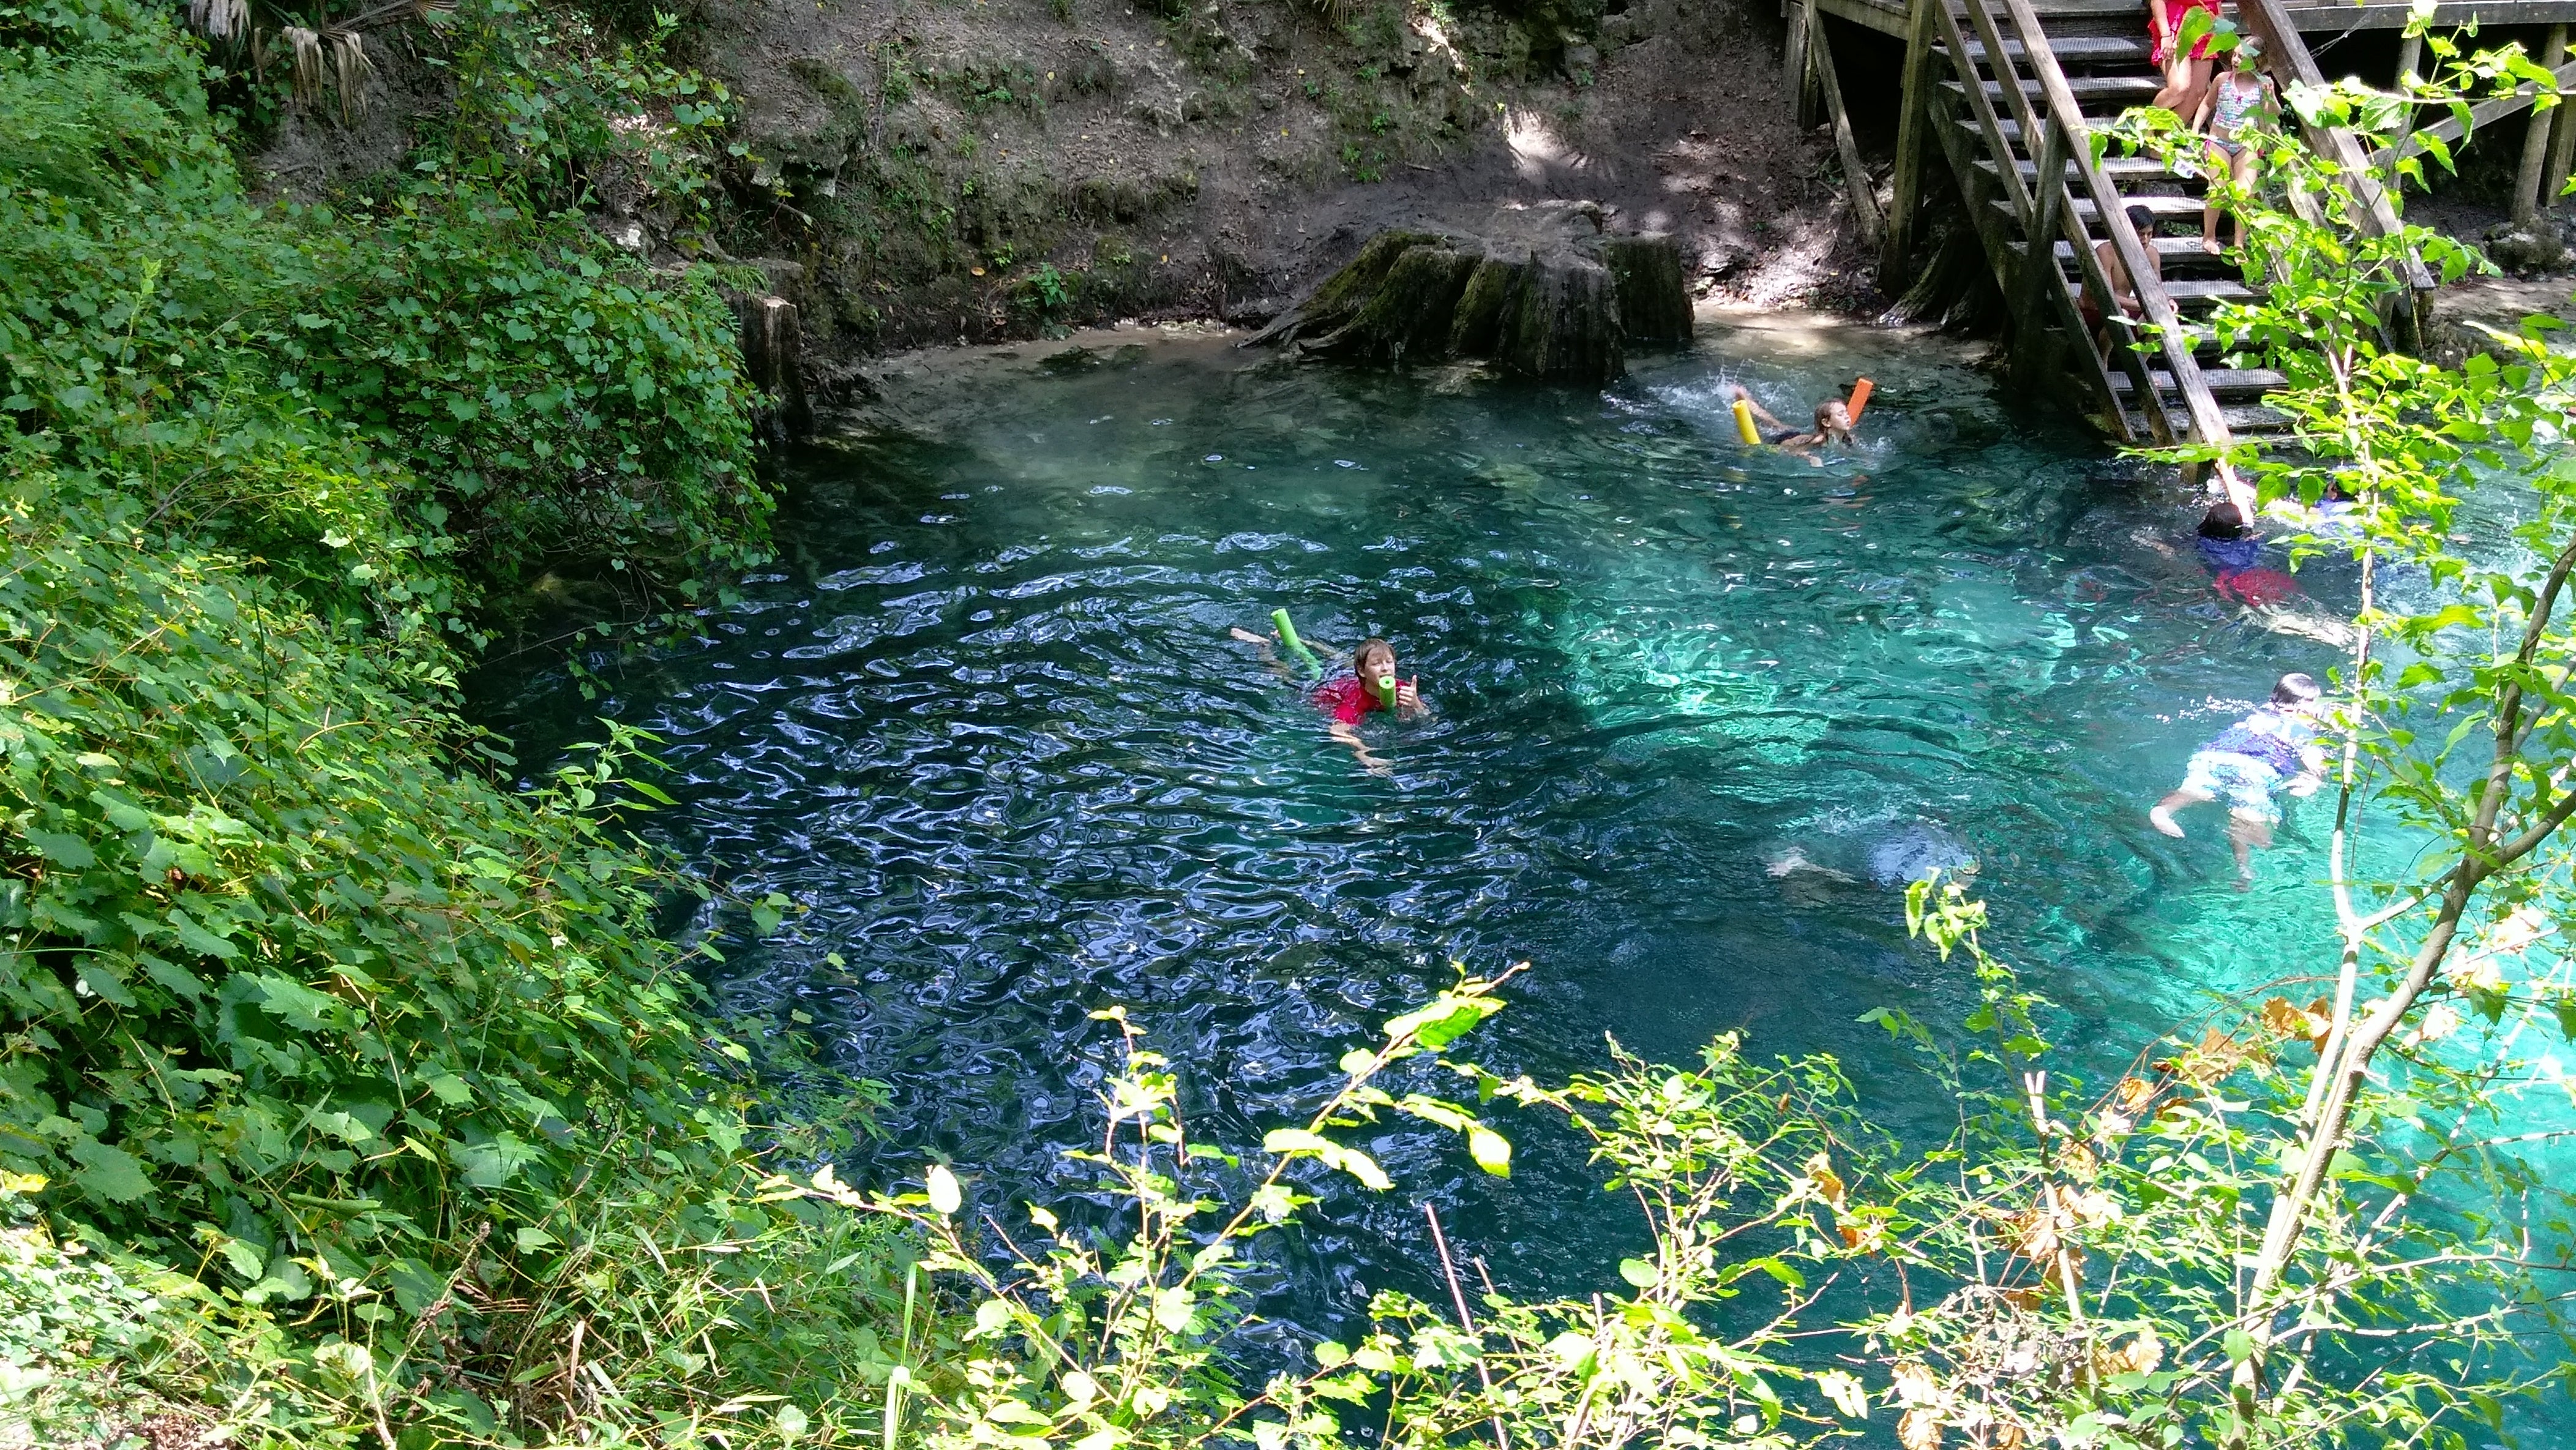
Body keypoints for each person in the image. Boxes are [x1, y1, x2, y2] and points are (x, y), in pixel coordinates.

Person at [2149, 672, 2329, 885]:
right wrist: (2317, 778)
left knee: (2195, 791)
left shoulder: (2257, 715)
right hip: (2257, 769)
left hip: (2214, 756)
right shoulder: (2301, 730)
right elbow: (2317, 764)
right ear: (2302, 709)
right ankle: (2243, 868)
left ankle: (2162, 811)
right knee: (2252, 822)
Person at [1230, 627, 1424, 771]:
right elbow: (1337, 731)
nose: (1385, 668)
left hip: (1348, 675)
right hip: (1326, 690)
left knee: (1342, 659)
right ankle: (1264, 645)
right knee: (1287, 677)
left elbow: (1428, 717)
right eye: (1377, 664)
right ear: (1363, 671)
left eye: (1389, 662)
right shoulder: (1355, 702)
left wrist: (1415, 702)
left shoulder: (1402, 687)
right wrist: (1363, 752)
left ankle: (1302, 641)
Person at [2193, 43, 2275, 254]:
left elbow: (2273, 113)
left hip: (2246, 146)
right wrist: (2196, 130)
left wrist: (2271, 96)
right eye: (2235, 55)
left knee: (2245, 193)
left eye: (2241, 57)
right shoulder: (2222, 80)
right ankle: (2209, 236)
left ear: (2256, 61)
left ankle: (2239, 244)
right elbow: (2207, 104)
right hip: (2219, 142)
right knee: (2218, 189)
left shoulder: (2263, 84)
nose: (2235, 60)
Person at [2081, 205, 2164, 354]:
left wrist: (2167, 303)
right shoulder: (2105, 252)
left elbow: (2157, 291)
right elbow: (2105, 296)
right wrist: (2143, 305)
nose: (2145, 240)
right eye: (2140, 234)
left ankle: (2142, 369)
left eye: (2149, 234)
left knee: (2164, 315)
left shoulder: (2152, 255)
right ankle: (2103, 364)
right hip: (2094, 311)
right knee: (2121, 315)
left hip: (2126, 310)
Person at [1726, 384, 1855, 454]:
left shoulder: (1848, 438)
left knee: (1777, 424)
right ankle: (1744, 399)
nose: (1846, 416)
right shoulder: (1819, 440)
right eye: (1840, 414)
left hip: (1798, 436)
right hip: (1783, 442)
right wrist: (1809, 458)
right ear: (1827, 422)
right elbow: (1794, 452)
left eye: (1846, 413)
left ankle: (1747, 399)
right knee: (1770, 426)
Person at [2147, 0, 2223, 121]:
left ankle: (2168, 136)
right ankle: (2147, 122)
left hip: (2205, 25)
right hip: (2176, 23)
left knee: (2197, 94)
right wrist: (2165, 35)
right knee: (2179, 88)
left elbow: (2216, 3)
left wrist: (2222, 30)